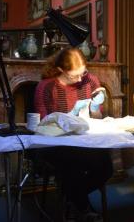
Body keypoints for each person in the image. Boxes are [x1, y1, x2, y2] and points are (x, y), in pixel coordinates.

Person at [34, 47, 113, 222]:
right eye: (74, 75)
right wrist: (70, 115)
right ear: (61, 70)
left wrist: (95, 108)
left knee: (107, 167)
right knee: (72, 165)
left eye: (82, 73)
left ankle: (71, 198)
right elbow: (44, 126)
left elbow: (98, 118)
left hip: (85, 142)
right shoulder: (46, 87)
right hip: (55, 144)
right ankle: (83, 208)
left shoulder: (90, 81)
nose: (80, 79)